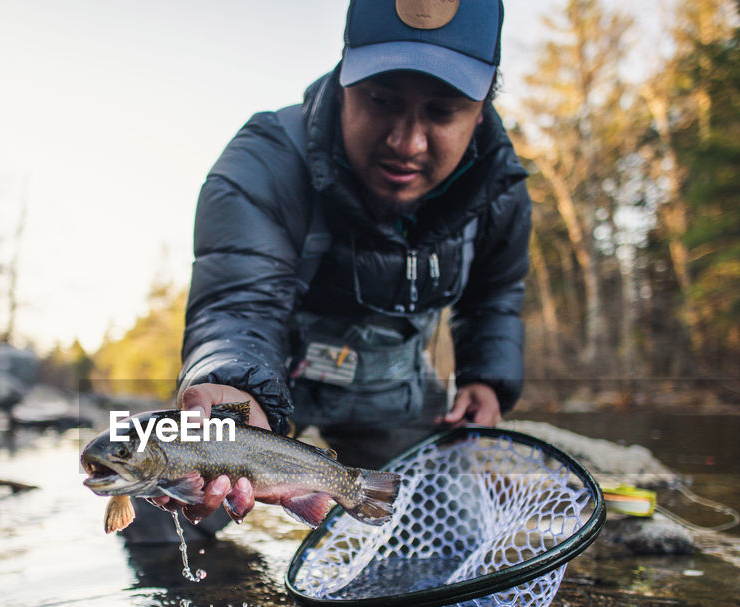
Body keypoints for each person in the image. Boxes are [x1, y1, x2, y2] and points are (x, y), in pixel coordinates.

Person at [135, 0, 530, 538]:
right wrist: (234, 386)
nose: (406, 143)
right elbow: (238, 305)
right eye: (382, 101)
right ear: (345, 80)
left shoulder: (500, 188)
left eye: (442, 112)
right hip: (267, 388)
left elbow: (496, 294)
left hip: (394, 398)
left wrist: (488, 380)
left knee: (446, 542)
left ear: (481, 110)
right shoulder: (263, 164)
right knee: (157, 519)